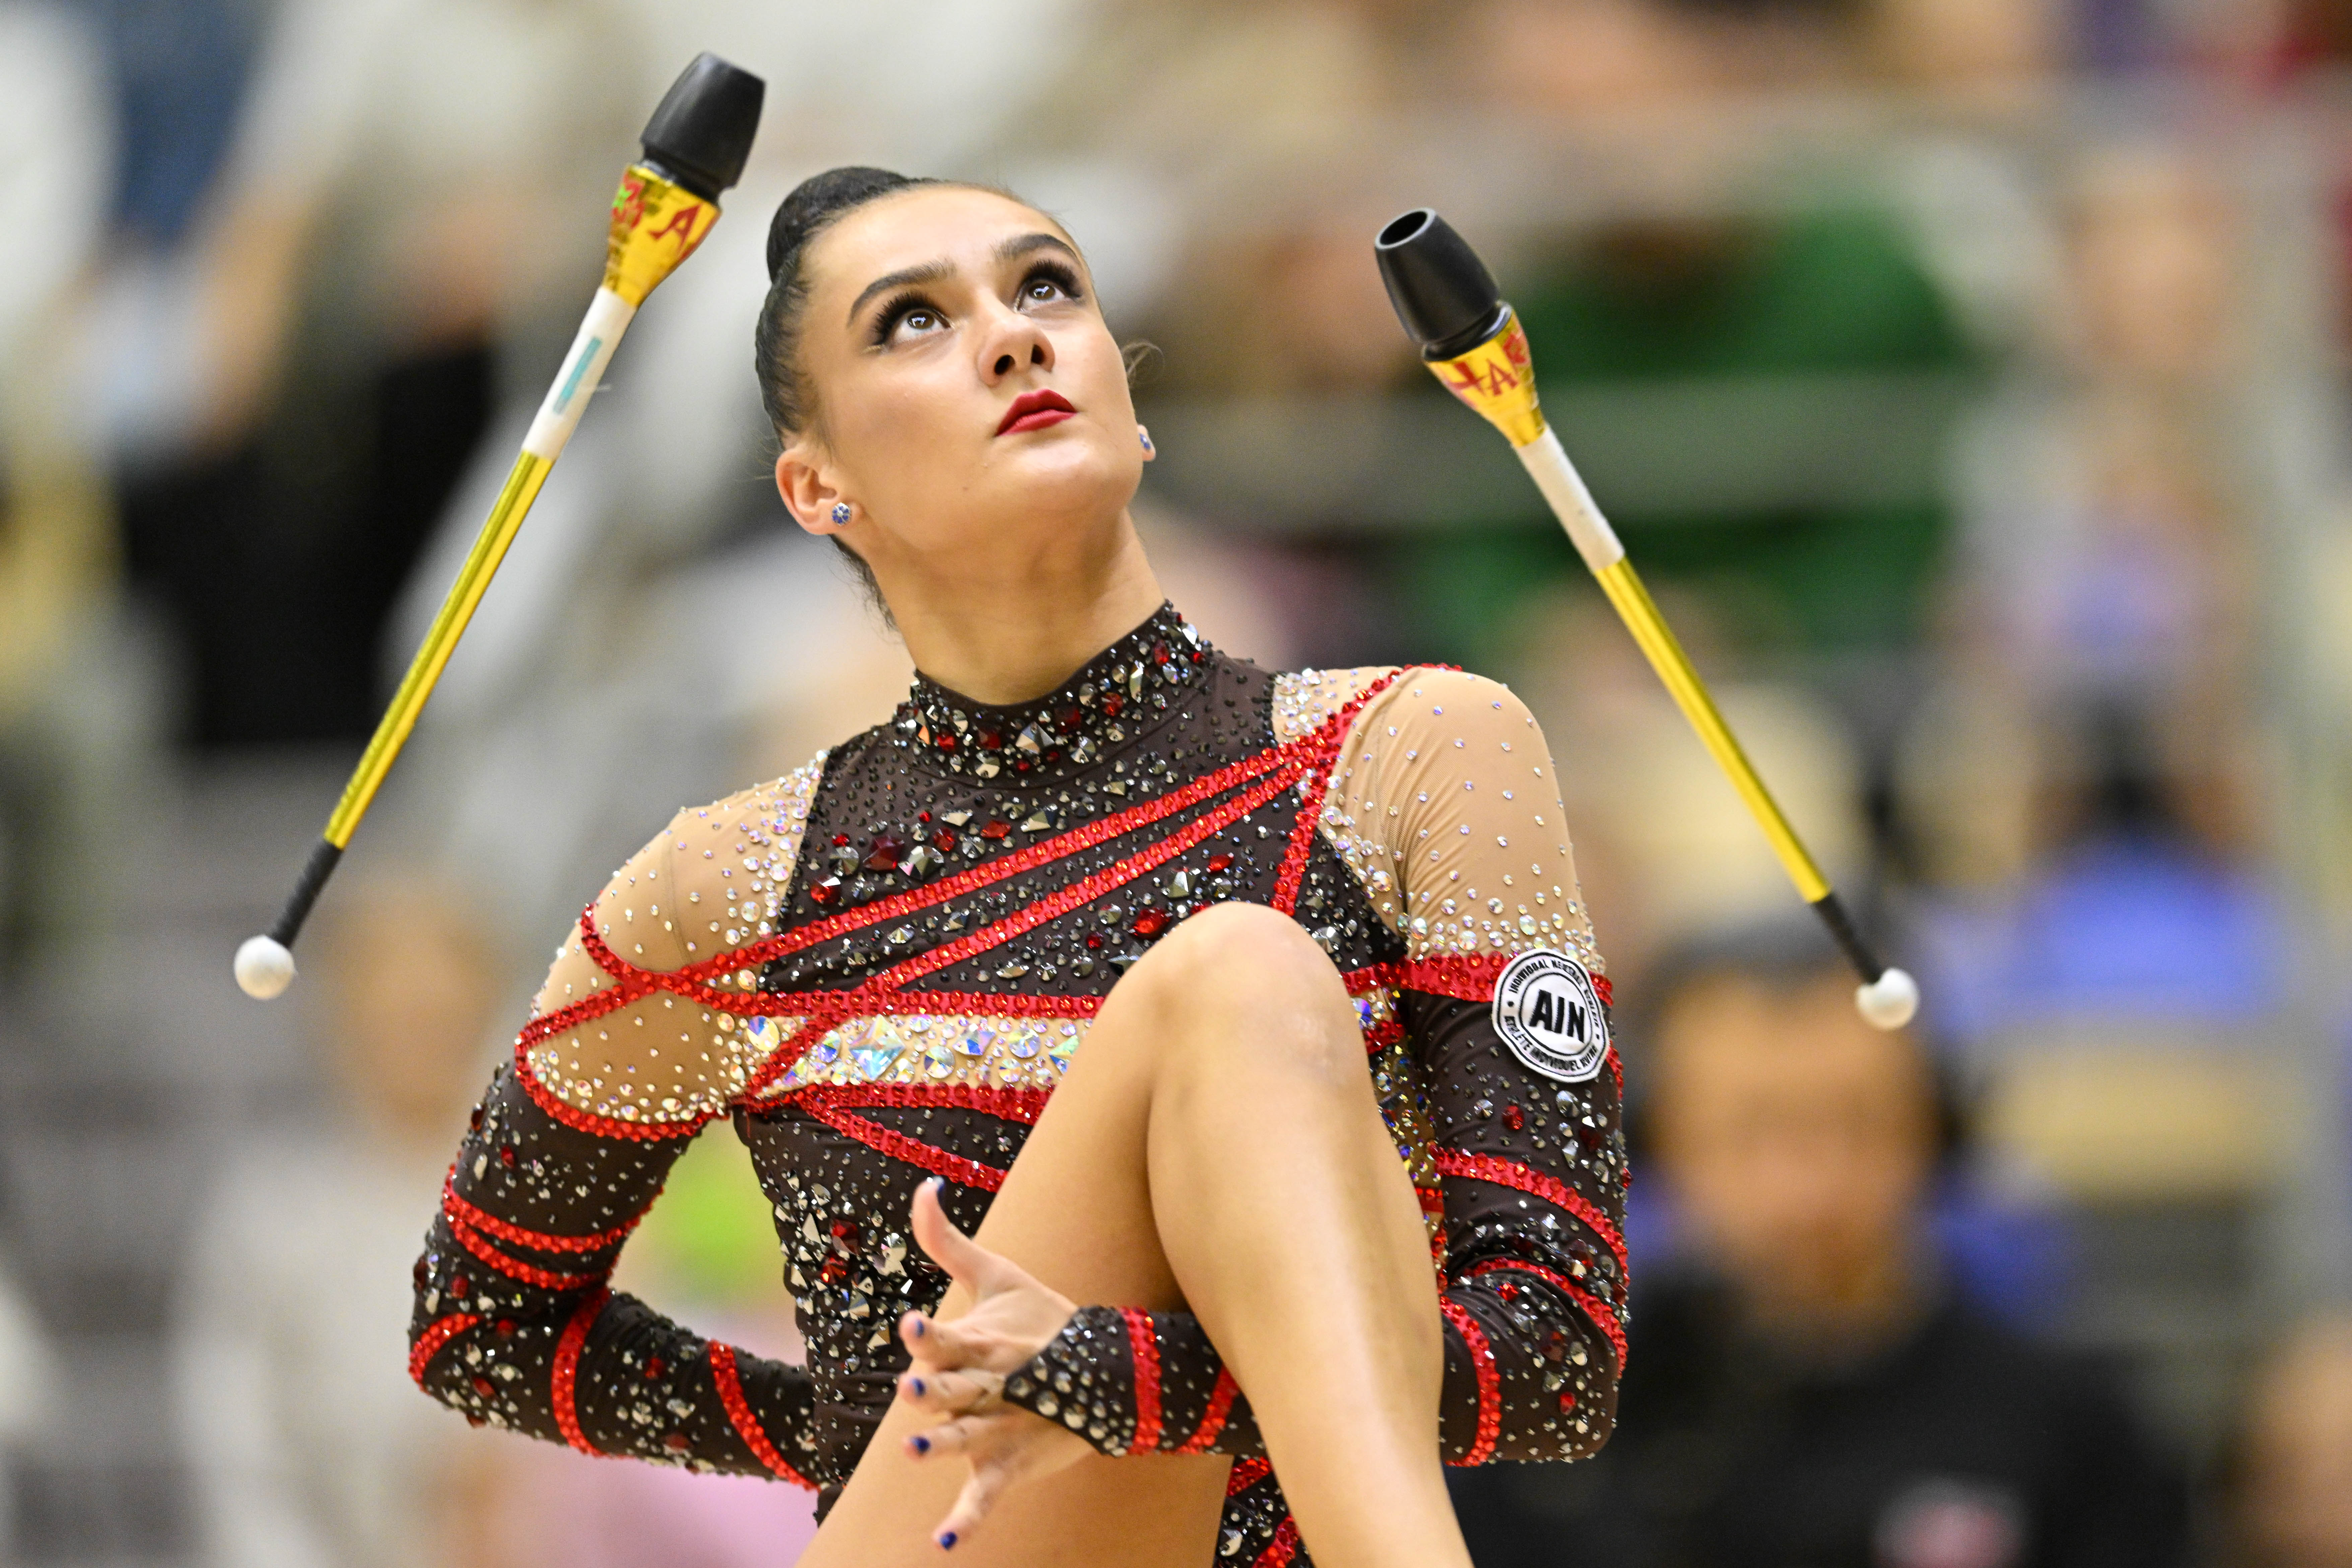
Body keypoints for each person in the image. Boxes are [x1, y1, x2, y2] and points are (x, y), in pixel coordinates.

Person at [405, 168, 1628, 1566]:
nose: (1010, 334)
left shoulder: (1415, 755)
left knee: (1240, 978)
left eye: (1046, 286)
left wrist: (1106, 1383)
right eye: (911, 323)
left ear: (1132, 401)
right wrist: (884, 1424)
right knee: (1239, 969)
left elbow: (1557, 1363)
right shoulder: (727, 886)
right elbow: (479, 1325)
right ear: (818, 485)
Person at [1449, 924, 2186, 1568]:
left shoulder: (2074, 1431)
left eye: (1857, 1125)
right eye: (1750, 1131)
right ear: (1657, 1142)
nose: (1808, 1190)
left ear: (1935, 1129)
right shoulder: (1545, 1423)